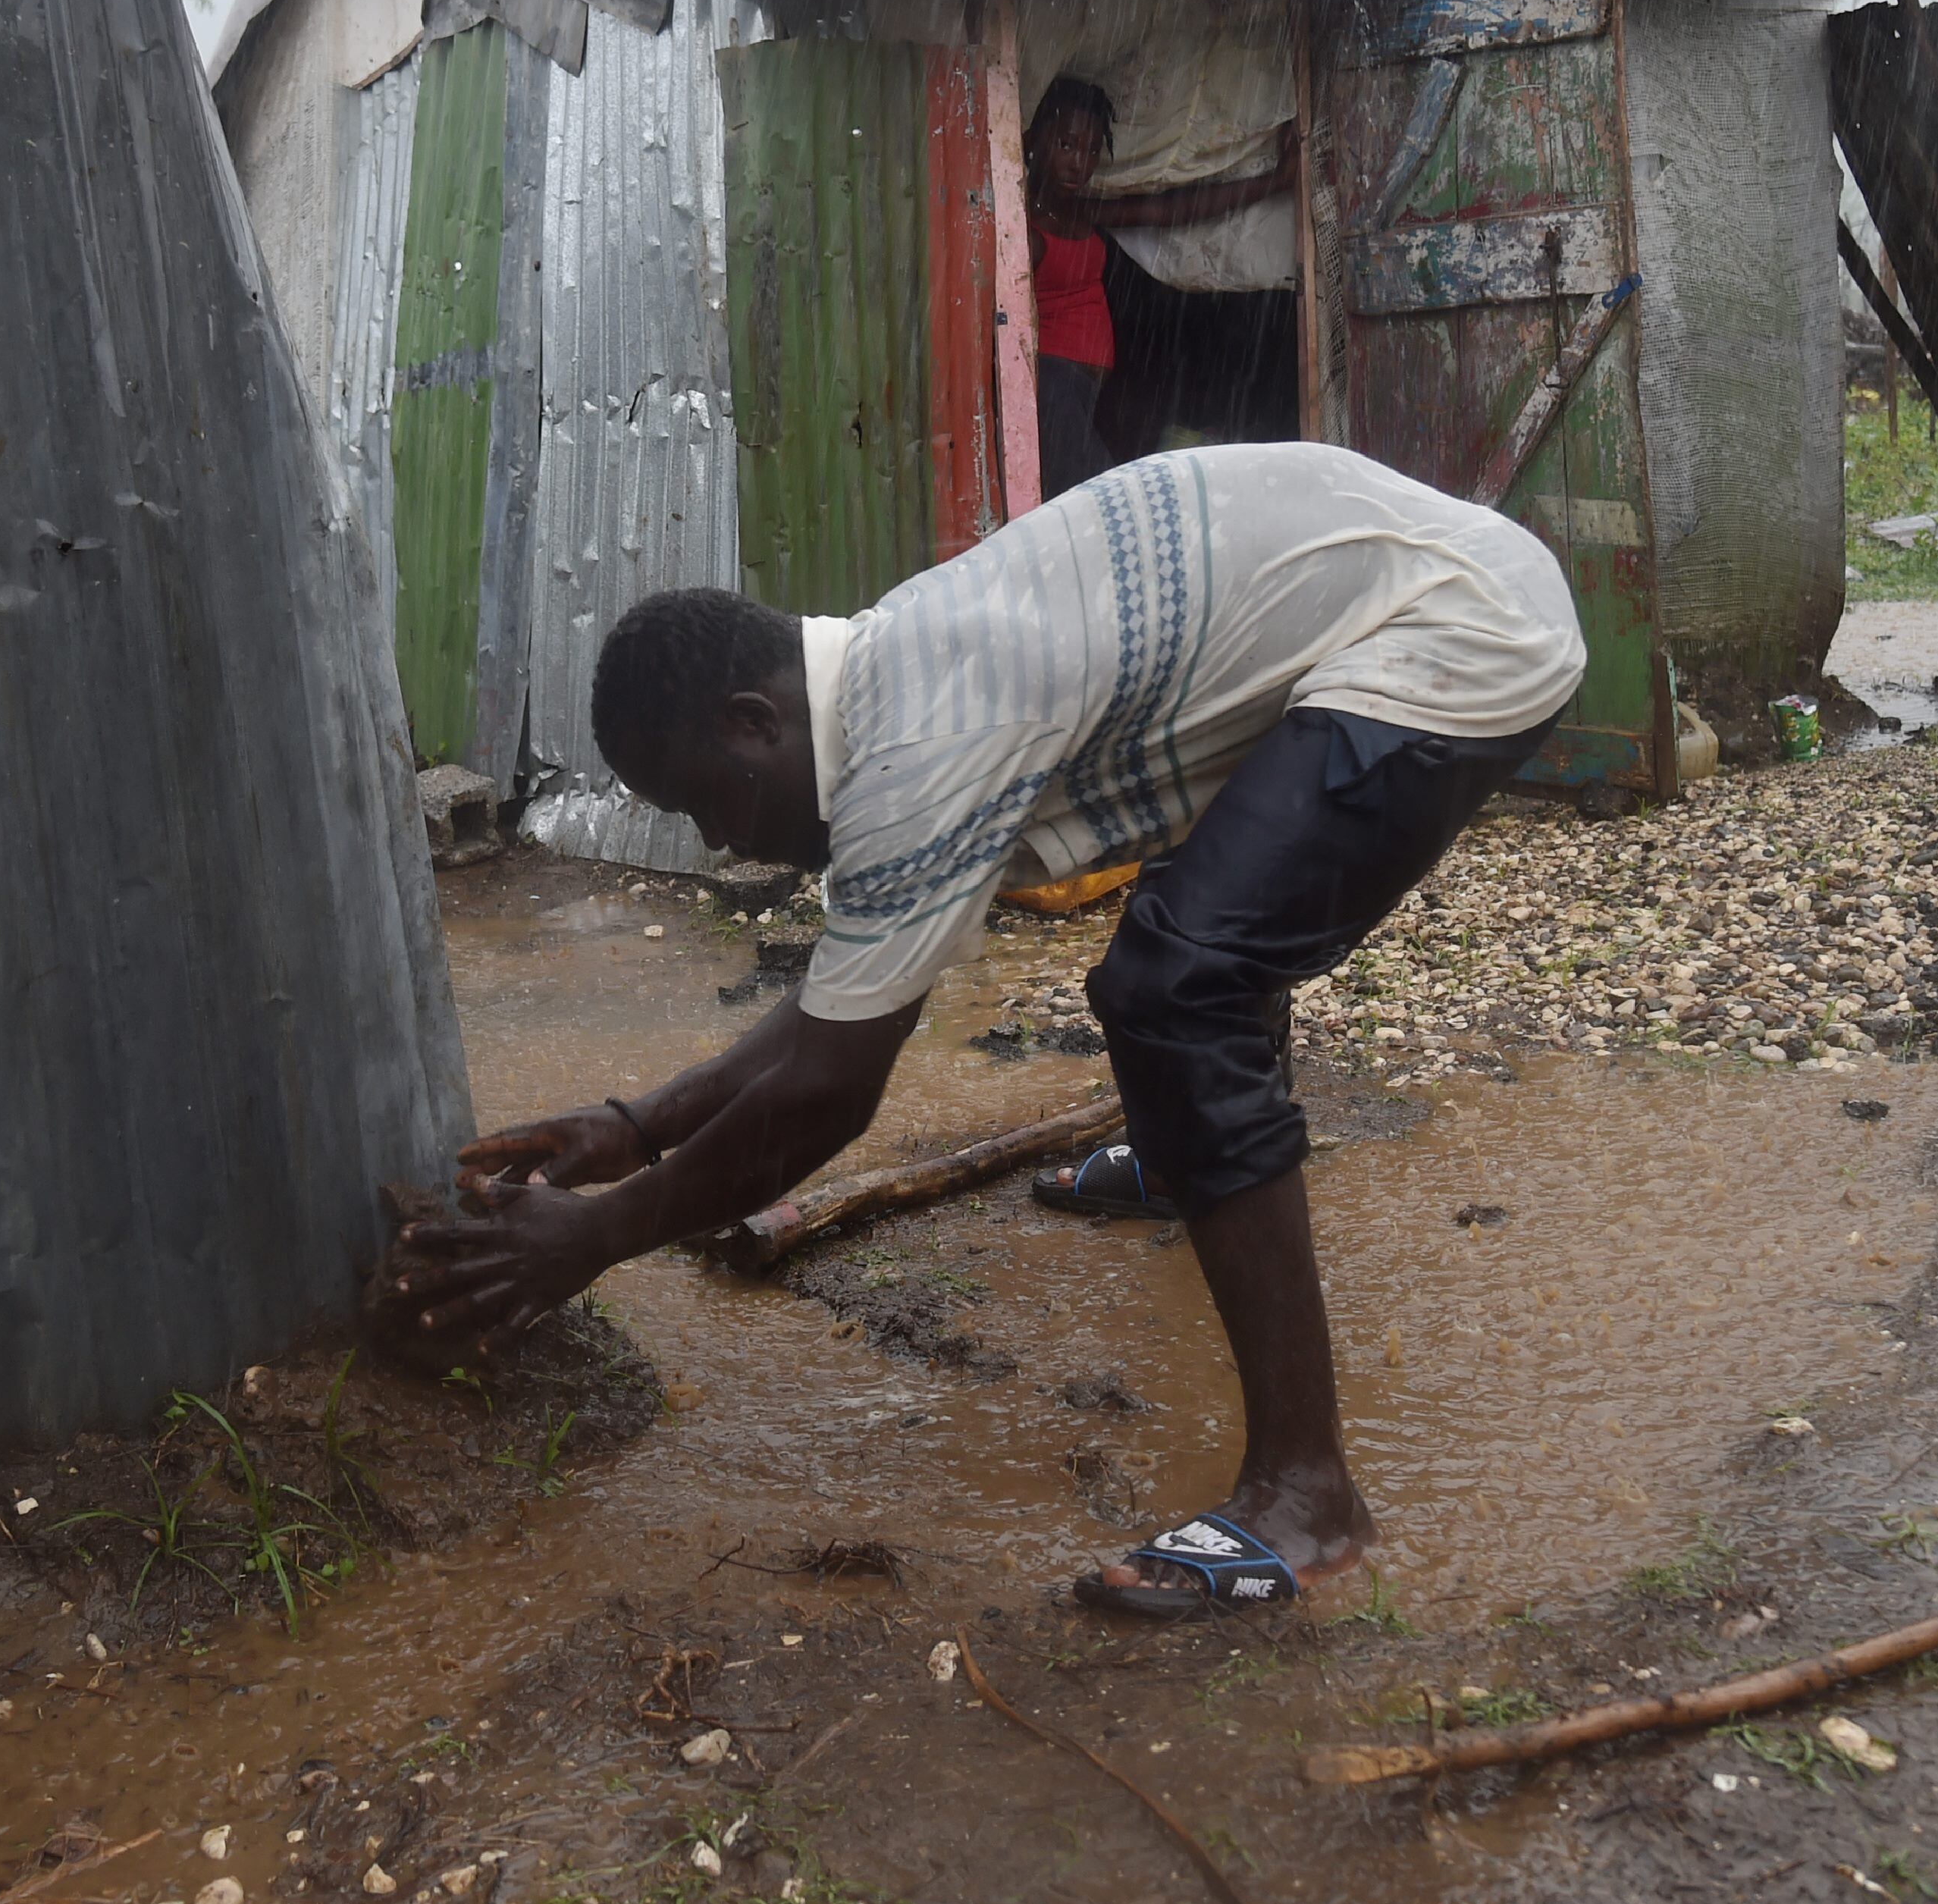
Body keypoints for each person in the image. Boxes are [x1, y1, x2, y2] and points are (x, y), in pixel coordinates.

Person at [388, 442, 1585, 1618]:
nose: (717, 842)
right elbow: (837, 1016)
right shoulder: (887, 680)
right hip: (1383, 600)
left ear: (754, 721)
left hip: (1454, 631)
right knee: (1210, 923)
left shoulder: (919, 743)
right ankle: (1186, 1170)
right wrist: (628, 1128)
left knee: (1180, 982)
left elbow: (827, 1086)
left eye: (705, 802)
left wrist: (592, 1238)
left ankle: (1307, 1495)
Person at [1022, 77, 1297, 496]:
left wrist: (1274, 182)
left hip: (1085, 392)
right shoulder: (1021, 226)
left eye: (1091, 150)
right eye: (1066, 145)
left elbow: (1172, 210)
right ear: (1035, 139)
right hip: (1055, 386)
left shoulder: (1080, 210)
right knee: (1109, 503)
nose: (1079, 163)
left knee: (1097, 498)